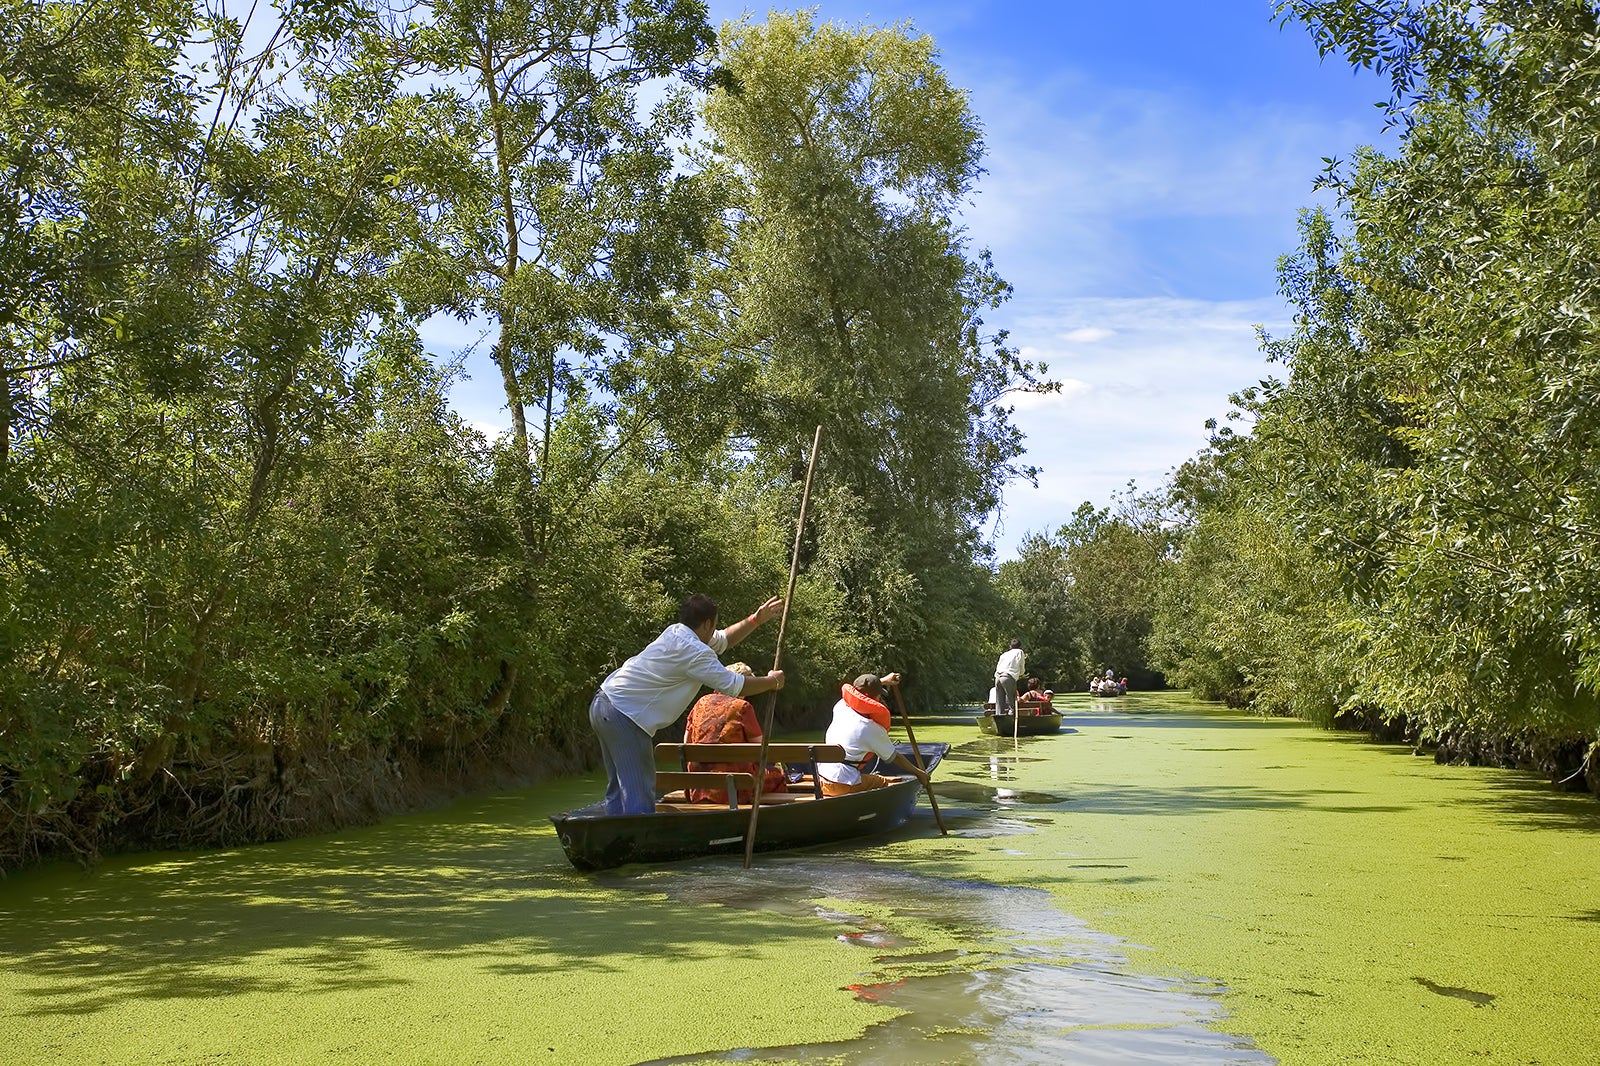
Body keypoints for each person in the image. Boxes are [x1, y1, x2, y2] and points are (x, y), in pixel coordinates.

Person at [590, 593, 787, 815]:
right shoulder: (696, 652)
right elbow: (734, 685)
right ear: (706, 624)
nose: (714, 631)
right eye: (713, 626)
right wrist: (772, 682)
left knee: (618, 789)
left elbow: (723, 640)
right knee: (640, 791)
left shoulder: (676, 632)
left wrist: (755, 620)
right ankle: (637, 844)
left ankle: (613, 842)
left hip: (602, 703)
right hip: (624, 715)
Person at [682, 663, 787, 804]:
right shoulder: (742, 707)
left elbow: (686, 743)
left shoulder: (700, 703)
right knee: (778, 776)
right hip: (736, 785)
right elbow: (762, 751)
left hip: (699, 785)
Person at [815, 673, 930, 796]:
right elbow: (893, 756)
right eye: (878, 694)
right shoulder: (870, 728)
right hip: (841, 785)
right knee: (881, 781)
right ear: (871, 698)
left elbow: (859, 693)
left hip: (820, 778)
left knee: (865, 776)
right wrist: (919, 773)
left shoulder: (841, 706)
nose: (880, 696)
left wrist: (883, 681)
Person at [994, 640, 1026, 715]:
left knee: (999, 703)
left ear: (1010, 646)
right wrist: (1020, 673)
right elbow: (1021, 665)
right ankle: (1011, 720)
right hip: (1008, 677)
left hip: (998, 677)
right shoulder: (1019, 652)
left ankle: (999, 718)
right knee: (1012, 704)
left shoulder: (1004, 654)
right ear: (1020, 646)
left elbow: (998, 666)